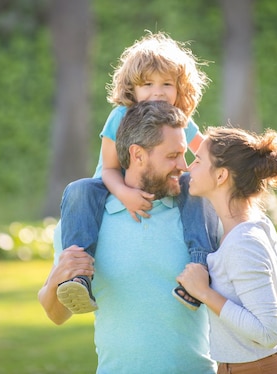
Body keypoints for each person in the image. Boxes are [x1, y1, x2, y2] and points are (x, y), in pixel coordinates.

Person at [38, 101, 217, 373]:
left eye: (184, 154)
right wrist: (56, 278)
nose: (184, 165)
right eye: (172, 156)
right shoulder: (83, 222)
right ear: (137, 155)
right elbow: (57, 314)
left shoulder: (201, 216)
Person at [56, 31, 215, 314]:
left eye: (167, 84)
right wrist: (125, 194)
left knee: (193, 185)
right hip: (111, 183)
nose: (158, 92)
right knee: (79, 189)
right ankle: (79, 277)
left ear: (180, 88)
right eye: (148, 84)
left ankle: (199, 266)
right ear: (133, 88)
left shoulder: (178, 120)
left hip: (164, 181)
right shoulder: (120, 116)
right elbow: (109, 169)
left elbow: (203, 151)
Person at [176, 127, 277, 373]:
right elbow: (273, 291)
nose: (188, 168)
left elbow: (268, 332)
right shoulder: (252, 226)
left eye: (198, 160)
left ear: (220, 176)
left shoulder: (243, 241)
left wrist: (204, 293)